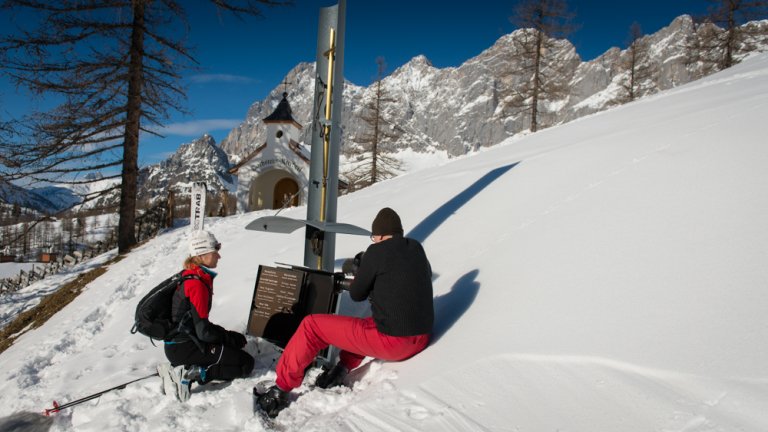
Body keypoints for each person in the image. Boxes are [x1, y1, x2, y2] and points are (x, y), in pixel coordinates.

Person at [257, 207, 434, 417]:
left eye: (373, 237)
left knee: (311, 326)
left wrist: (363, 272)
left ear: (378, 235)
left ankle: (281, 390)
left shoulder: (376, 252)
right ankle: (341, 369)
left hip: (394, 343)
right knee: (366, 325)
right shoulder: (416, 248)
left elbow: (357, 294)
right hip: (421, 337)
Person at [157, 230, 254, 402]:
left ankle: (176, 368)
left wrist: (228, 338)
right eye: (215, 250)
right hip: (186, 347)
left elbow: (199, 324)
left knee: (234, 349)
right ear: (202, 254)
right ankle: (191, 373)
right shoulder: (197, 285)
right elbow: (204, 332)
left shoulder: (191, 276)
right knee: (246, 364)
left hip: (178, 344)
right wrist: (229, 338)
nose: (219, 255)